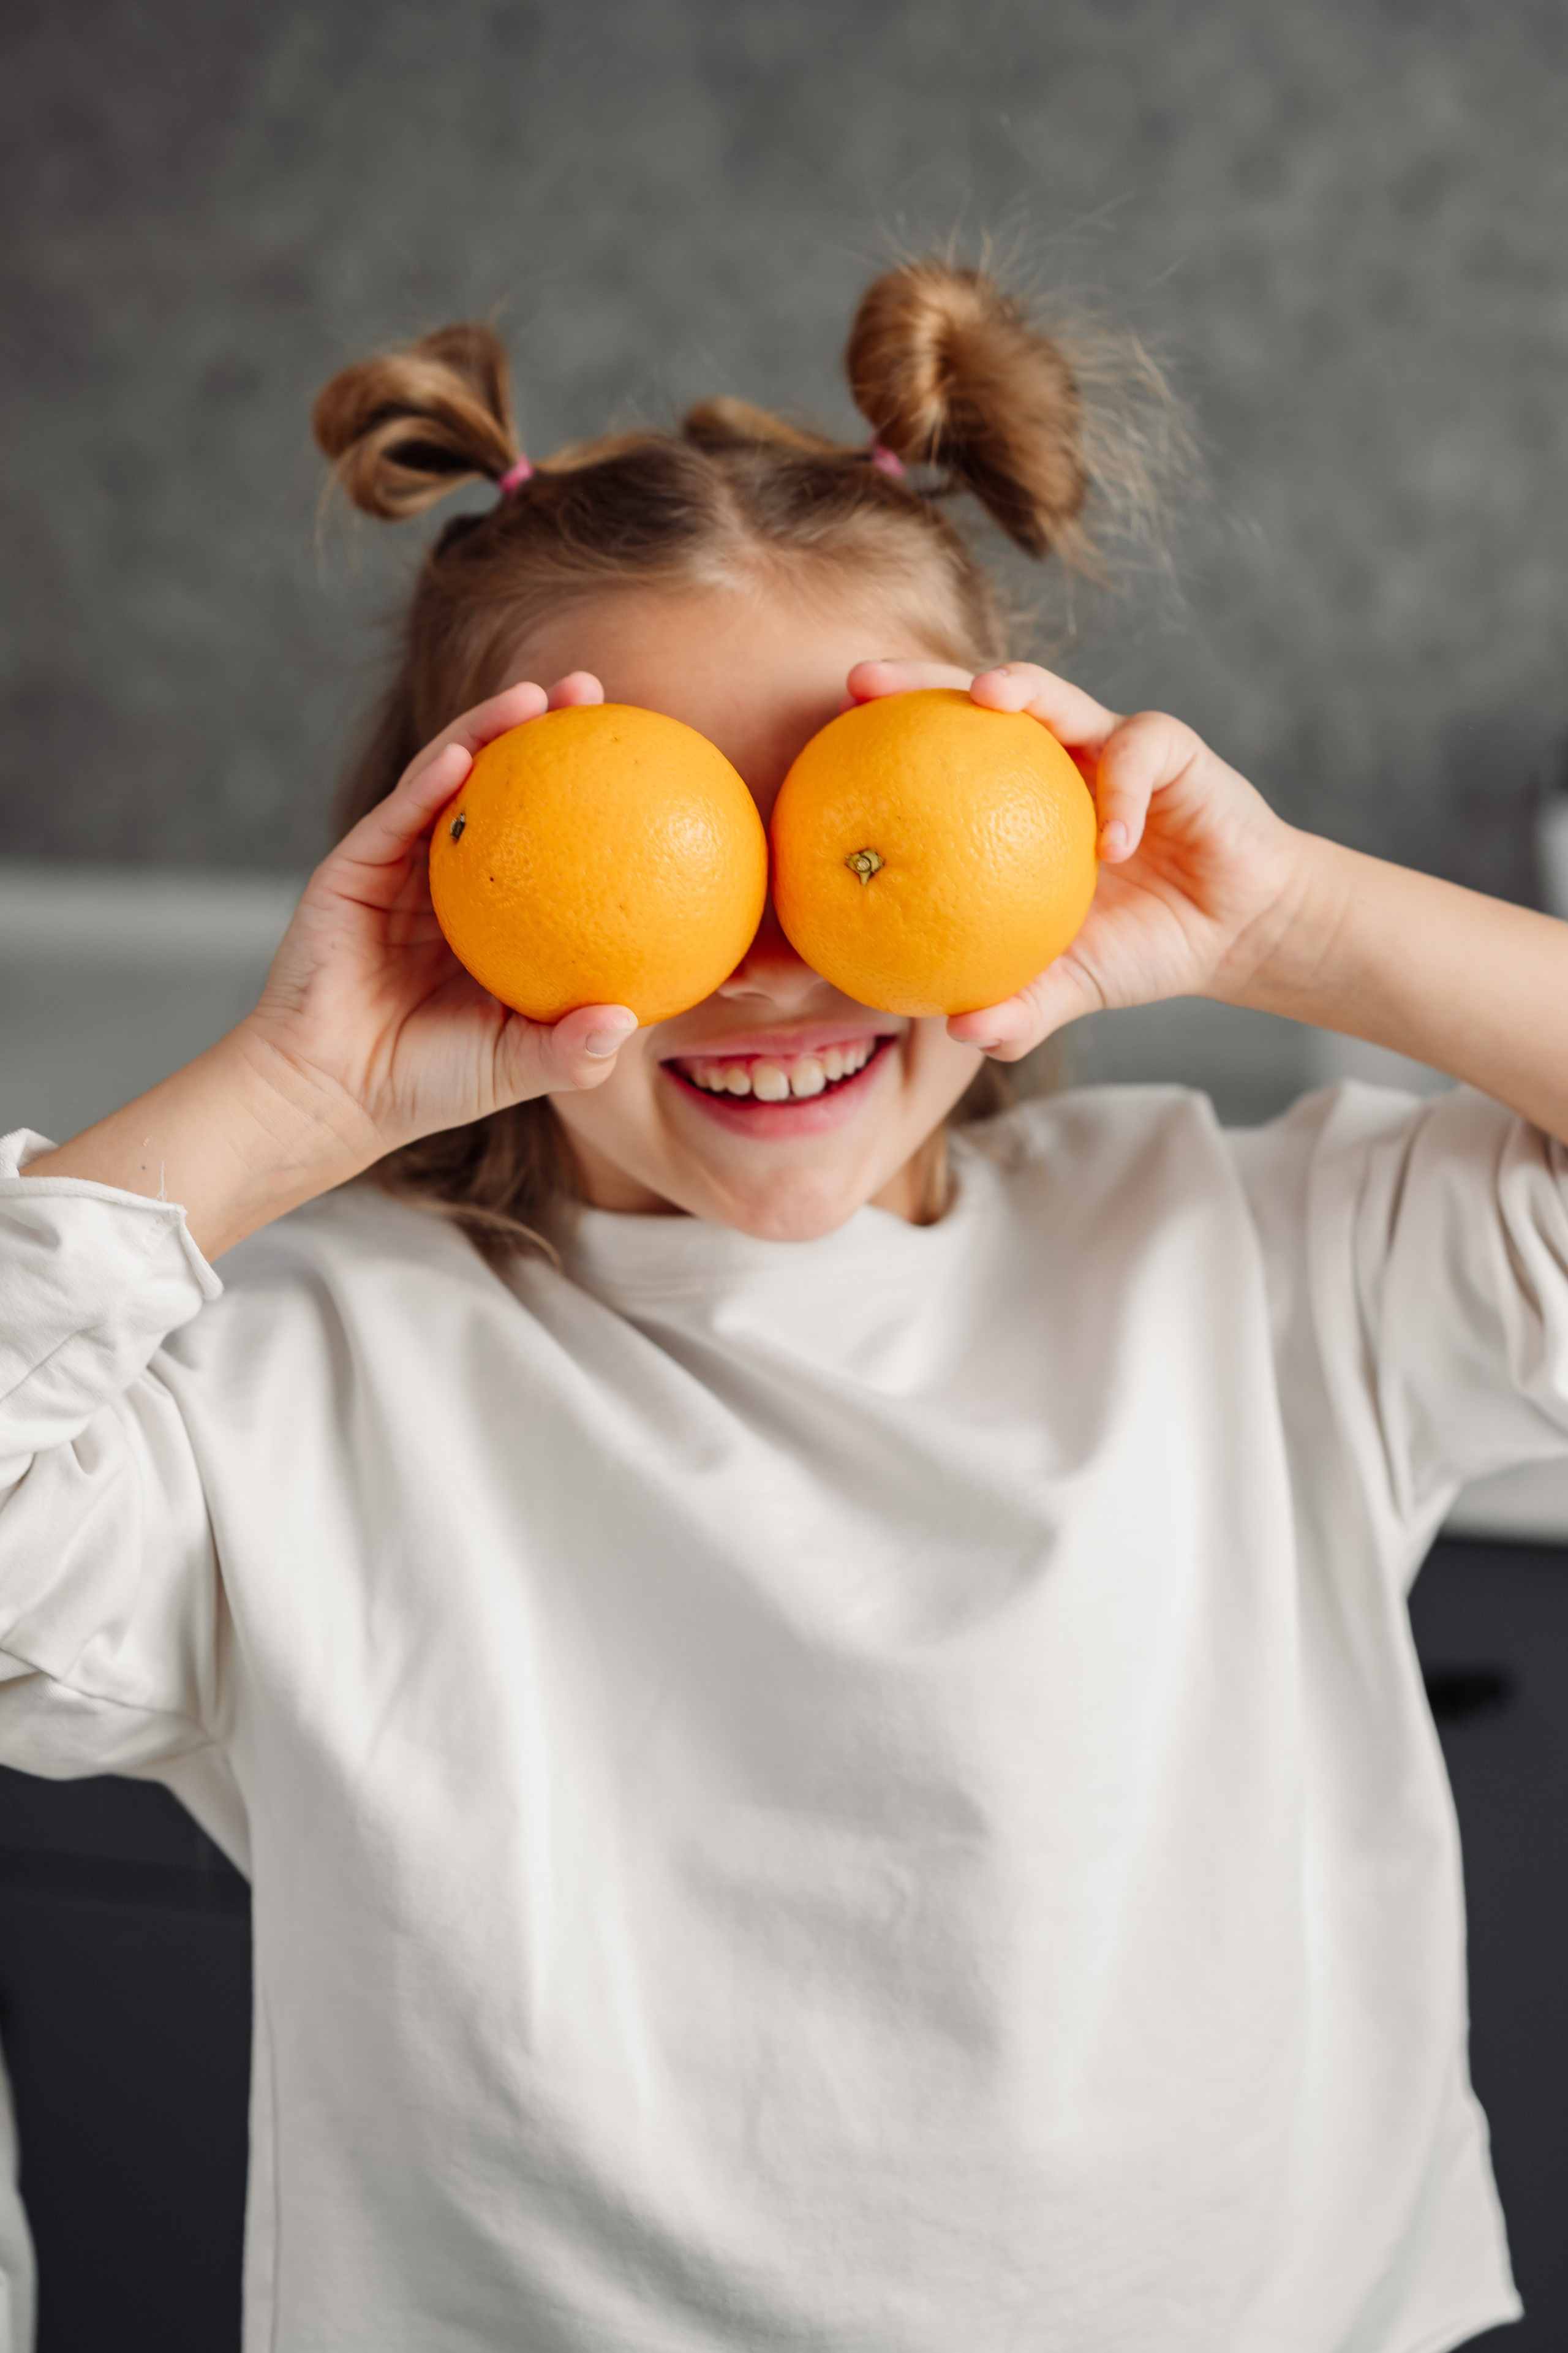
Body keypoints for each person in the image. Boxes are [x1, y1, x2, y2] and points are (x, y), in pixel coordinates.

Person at [2, 254, 1564, 2353]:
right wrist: (299, 1092)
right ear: (450, 883)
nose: (762, 965)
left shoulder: (1247, 1266)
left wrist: (1286, 916)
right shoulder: (308, 1382)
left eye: (852, 838)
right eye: (670, 853)